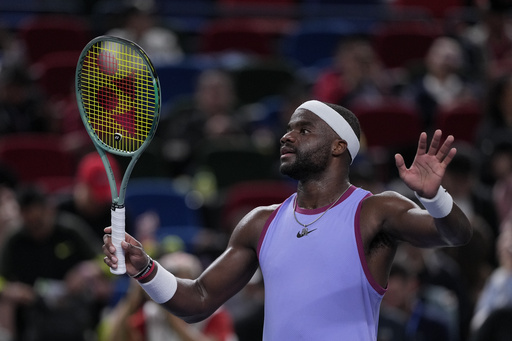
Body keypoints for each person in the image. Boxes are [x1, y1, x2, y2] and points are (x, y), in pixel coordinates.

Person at [102, 100, 472, 339]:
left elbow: (454, 234)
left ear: (338, 146)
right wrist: (144, 268)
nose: (287, 136)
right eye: (289, 127)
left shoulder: (376, 211)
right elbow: (198, 300)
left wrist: (433, 197)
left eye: (303, 129)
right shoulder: (260, 223)